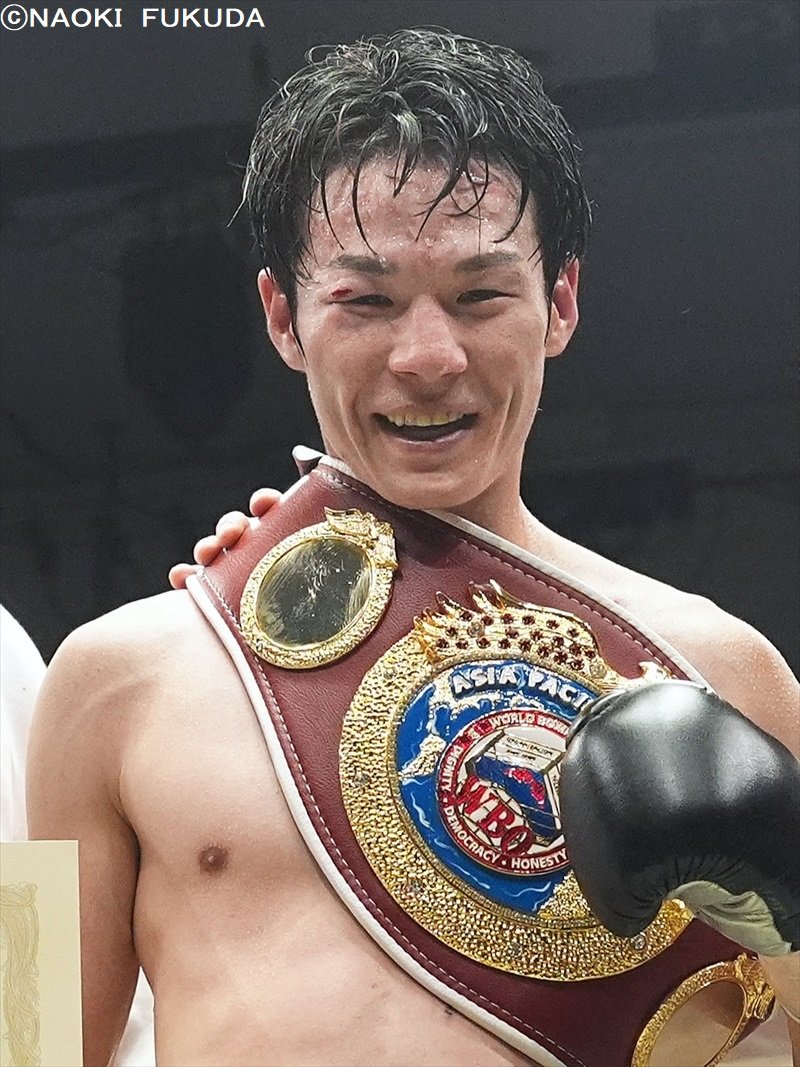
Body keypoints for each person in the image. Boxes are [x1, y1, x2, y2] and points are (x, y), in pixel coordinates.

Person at [27, 29, 798, 1067]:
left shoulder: (728, 671)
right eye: (367, 300)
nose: (428, 357)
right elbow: (21, 1039)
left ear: (559, 303)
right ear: (283, 317)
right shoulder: (104, 683)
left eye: (480, 295)